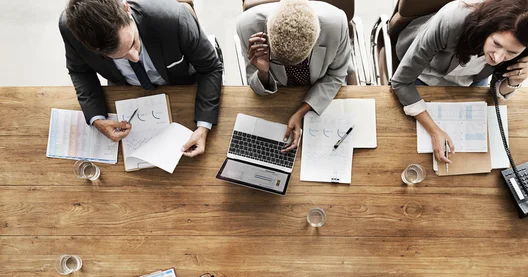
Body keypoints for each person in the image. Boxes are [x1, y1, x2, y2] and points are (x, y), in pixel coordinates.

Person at [390, 0, 528, 164]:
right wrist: (434, 130)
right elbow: (401, 82)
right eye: (496, 44)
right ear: (488, 25)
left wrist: (513, 82)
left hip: (470, 80)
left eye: (511, 52)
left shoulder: (520, 45)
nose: (498, 58)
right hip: (424, 73)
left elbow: (495, 89)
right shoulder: (451, 21)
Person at [59, 0, 222, 157]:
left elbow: (211, 68)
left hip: (184, 88)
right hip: (127, 92)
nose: (135, 58)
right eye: (119, 57)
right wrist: (97, 118)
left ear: (126, 8)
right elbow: (80, 71)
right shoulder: (70, 29)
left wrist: (203, 126)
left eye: (132, 44)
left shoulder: (173, 18)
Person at [236, 0, 352, 152]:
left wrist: (301, 112)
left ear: (317, 38)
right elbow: (253, 81)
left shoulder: (337, 24)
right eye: (278, 60)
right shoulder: (247, 27)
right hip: (276, 98)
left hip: (320, 90)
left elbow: (336, 75)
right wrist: (263, 72)